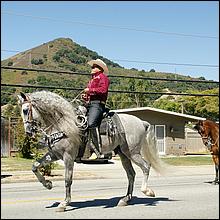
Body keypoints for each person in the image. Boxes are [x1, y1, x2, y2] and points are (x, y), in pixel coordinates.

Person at [82, 58, 110, 160]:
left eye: (94, 67)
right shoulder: (92, 79)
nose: (92, 68)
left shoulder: (103, 78)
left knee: (91, 124)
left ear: (99, 69)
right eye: (92, 66)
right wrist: (86, 97)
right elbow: (91, 93)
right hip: (90, 104)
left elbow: (103, 90)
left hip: (98, 104)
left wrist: (90, 90)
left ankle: (97, 151)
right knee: (80, 122)